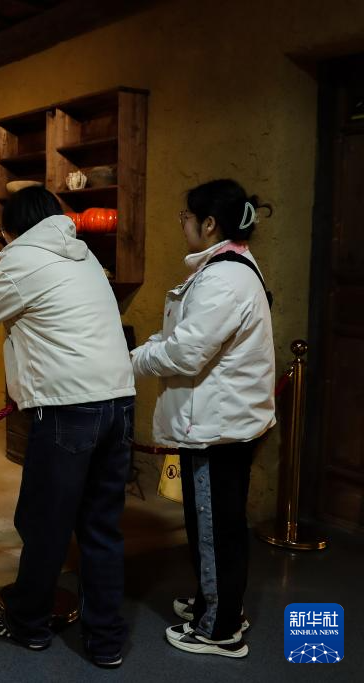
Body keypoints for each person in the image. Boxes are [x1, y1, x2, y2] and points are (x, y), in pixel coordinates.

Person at [0, 186, 134, 668]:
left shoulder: (21, 261)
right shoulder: (83, 254)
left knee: (44, 523)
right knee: (101, 526)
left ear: (11, 230)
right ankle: (106, 642)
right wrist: (3, 271)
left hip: (68, 409)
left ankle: (28, 624)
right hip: (119, 402)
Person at [131, 179, 275, 659]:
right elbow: (186, 336)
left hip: (217, 426)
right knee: (216, 523)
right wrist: (150, 348)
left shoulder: (222, 278)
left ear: (209, 224)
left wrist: (131, 361)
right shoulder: (227, 268)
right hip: (222, 420)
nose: (183, 224)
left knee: (215, 527)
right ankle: (218, 602)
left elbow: (186, 352)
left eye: (186, 217)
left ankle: (219, 629)